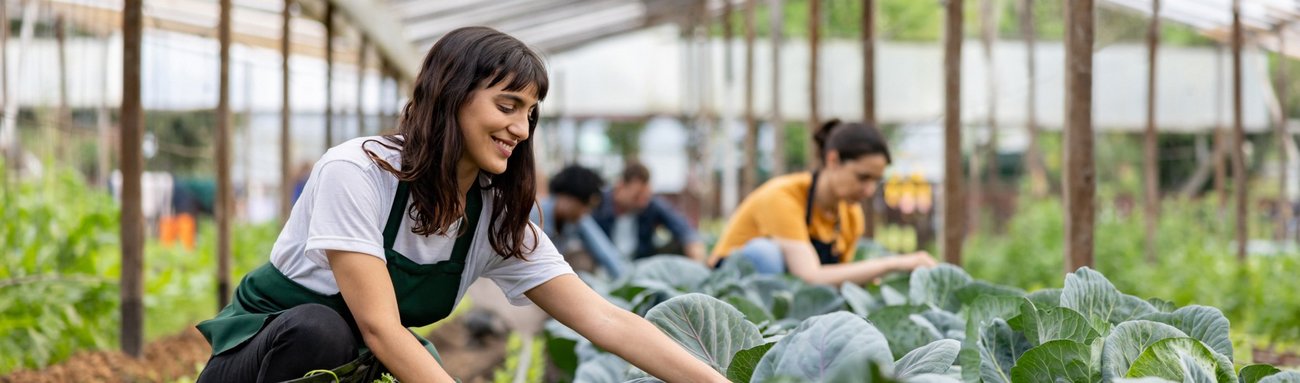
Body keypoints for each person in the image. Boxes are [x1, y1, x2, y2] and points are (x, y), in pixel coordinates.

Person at [194, 27, 727, 383]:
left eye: (530, 113)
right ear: (451, 95)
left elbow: (607, 321)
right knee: (322, 330)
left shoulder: (495, 217)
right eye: (507, 105)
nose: (520, 129)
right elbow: (379, 329)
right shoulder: (357, 171)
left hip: (357, 369)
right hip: (258, 358)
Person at [707, 119, 937, 285]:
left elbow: (837, 281)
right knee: (764, 253)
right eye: (862, 177)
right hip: (727, 291)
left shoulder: (850, 215)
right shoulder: (781, 196)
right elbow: (810, 277)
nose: (868, 190)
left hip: (786, 298)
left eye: (875, 181)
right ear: (833, 159)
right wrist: (892, 263)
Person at [591, 161, 707, 263]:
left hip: (639, 267)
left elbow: (684, 229)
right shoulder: (597, 203)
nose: (642, 202)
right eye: (636, 196)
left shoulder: (650, 206)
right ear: (620, 187)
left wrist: (696, 254)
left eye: (645, 197)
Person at [533, 164, 627, 278]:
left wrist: (625, 281)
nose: (586, 212)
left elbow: (604, 250)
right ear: (568, 197)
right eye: (586, 206)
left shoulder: (576, 220)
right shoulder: (533, 216)